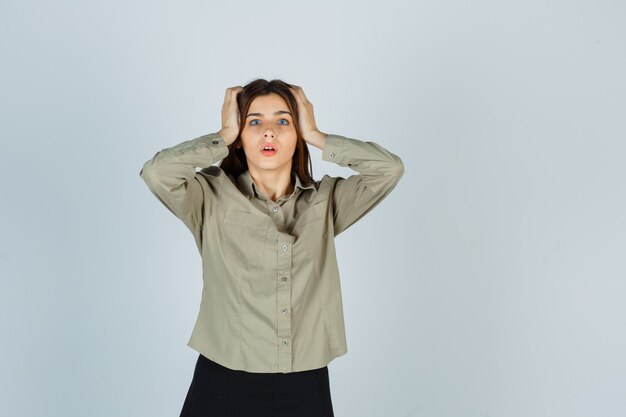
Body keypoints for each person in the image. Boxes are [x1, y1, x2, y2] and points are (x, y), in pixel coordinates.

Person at [139, 79, 404, 417]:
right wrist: (222, 135)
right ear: (239, 137)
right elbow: (156, 173)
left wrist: (316, 134)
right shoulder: (207, 197)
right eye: (254, 122)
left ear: (297, 136)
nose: (269, 132)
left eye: (283, 121)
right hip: (223, 379)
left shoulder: (326, 201)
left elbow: (389, 170)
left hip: (304, 382)